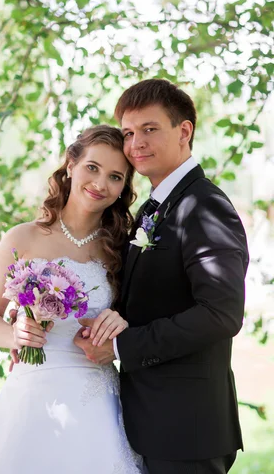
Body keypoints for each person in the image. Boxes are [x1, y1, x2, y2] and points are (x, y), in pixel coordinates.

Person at [75, 79, 249, 474]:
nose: (135, 143)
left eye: (149, 130)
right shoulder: (156, 206)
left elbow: (221, 314)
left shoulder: (204, 206)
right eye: (129, 133)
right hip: (150, 421)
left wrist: (123, 347)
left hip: (186, 428)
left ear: (184, 131)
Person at [0, 125, 144, 474]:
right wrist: (14, 336)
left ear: (123, 188)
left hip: (96, 398)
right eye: (92, 167)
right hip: (31, 393)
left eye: (115, 176)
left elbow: (134, 315)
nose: (100, 183)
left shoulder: (121, 249)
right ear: (71, 164)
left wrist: (121, 321)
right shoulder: (22, 237)